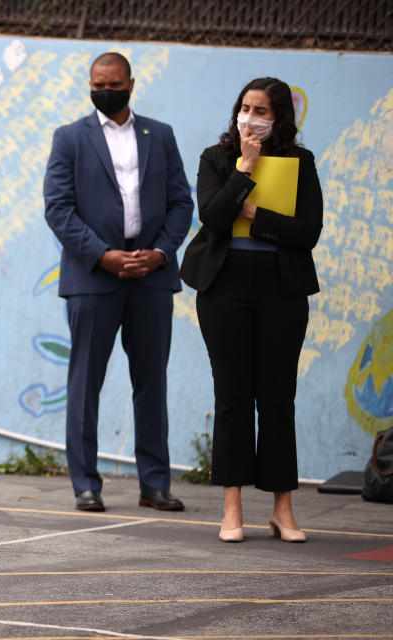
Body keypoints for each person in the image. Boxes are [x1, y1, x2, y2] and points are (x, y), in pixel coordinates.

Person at [43, 53, 193, 512]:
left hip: (151, 276)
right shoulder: (70, 138)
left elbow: (181, 203)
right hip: (93, 278)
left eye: (113, 83)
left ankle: (155, 484)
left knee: (151, 382)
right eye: (97, 83)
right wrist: (102, 255)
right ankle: (86, 484)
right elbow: (58, 208)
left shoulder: (160, 135)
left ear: (130, 83)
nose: (105, 90)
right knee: (85, 383)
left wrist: (160, 253)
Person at [179, 77, 322, 543]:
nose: (250, 117)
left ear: (278, 117)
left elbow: (307, 231)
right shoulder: (215, 157)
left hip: (281, 291)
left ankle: (283, 509)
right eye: (245, 107)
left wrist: (257, 215)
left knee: (278, 398)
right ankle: (232, 507)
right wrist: (245, 170)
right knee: (233, 395)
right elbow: (214, 217)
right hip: (224, 289)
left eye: (261, 110)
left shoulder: (301, 162)